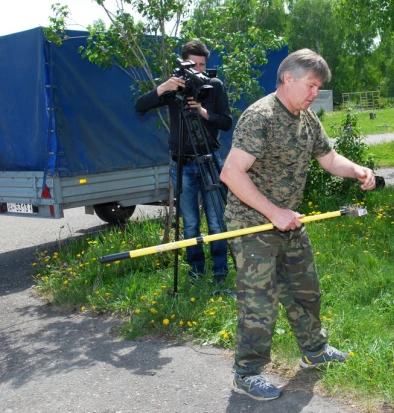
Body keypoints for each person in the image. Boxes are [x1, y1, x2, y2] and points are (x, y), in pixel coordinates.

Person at [219, 48, 376, 401]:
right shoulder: (260, 116)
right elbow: (231, 173)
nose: (314, 93)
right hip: (252, 226)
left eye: (318, 87)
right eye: (311, 84)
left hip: (289, 222)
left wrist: (357, 170)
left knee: (307, 289)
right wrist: (274, 212)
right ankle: (246, 373)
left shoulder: (307, 119)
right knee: (259, 303)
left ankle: (314, 351)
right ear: (288, 79)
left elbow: (329, 157)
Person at [136, 40, 233, 284]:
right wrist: (163, 88)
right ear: (183, 65)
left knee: (216, 221)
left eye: (202, 65)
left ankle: (220, 270)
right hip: (181, 163)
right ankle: (196, 270)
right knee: (190, 223)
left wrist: (203, 111)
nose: (198, 70)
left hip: (209, 159)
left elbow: (226, 122)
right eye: (193, 65)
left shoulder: (215, 85)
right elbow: (140, 106)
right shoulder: (174, 88)